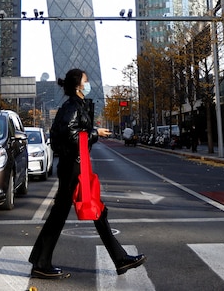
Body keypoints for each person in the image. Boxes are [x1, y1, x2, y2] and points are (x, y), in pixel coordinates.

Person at [28, 68, 146, 280]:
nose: (88, 82)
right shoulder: (72, 106)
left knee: (93, 210)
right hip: (73, 166)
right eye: (86, 80)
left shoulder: (76, 105)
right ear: (78, 85)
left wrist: (92, 132)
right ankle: (41, 263)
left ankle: (119, 259)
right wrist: (95, 133)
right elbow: (69, 134)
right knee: (66, 213)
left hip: (76, 164)